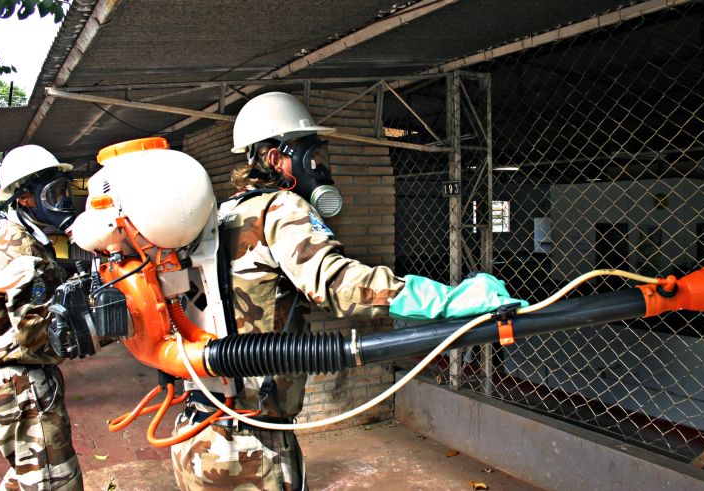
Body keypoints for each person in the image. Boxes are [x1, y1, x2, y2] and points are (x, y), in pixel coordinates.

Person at [170, 92, 526, 490]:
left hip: (199, 428)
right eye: (310, 155)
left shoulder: (222, 212)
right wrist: (444, 300)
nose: (320, 166)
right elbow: (336, 285)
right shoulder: (281, 207)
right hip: (250, 438)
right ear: (275, 159)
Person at [0, 145, 83, 490]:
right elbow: (37, 335)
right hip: (22, 383)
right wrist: (102, 328)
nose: (62, 201)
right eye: (53, 193)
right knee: (55, 481)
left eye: (64, 190)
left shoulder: (25, 241)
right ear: (25, 199)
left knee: (29, 478)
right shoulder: (22, 255)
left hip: (18, 379)